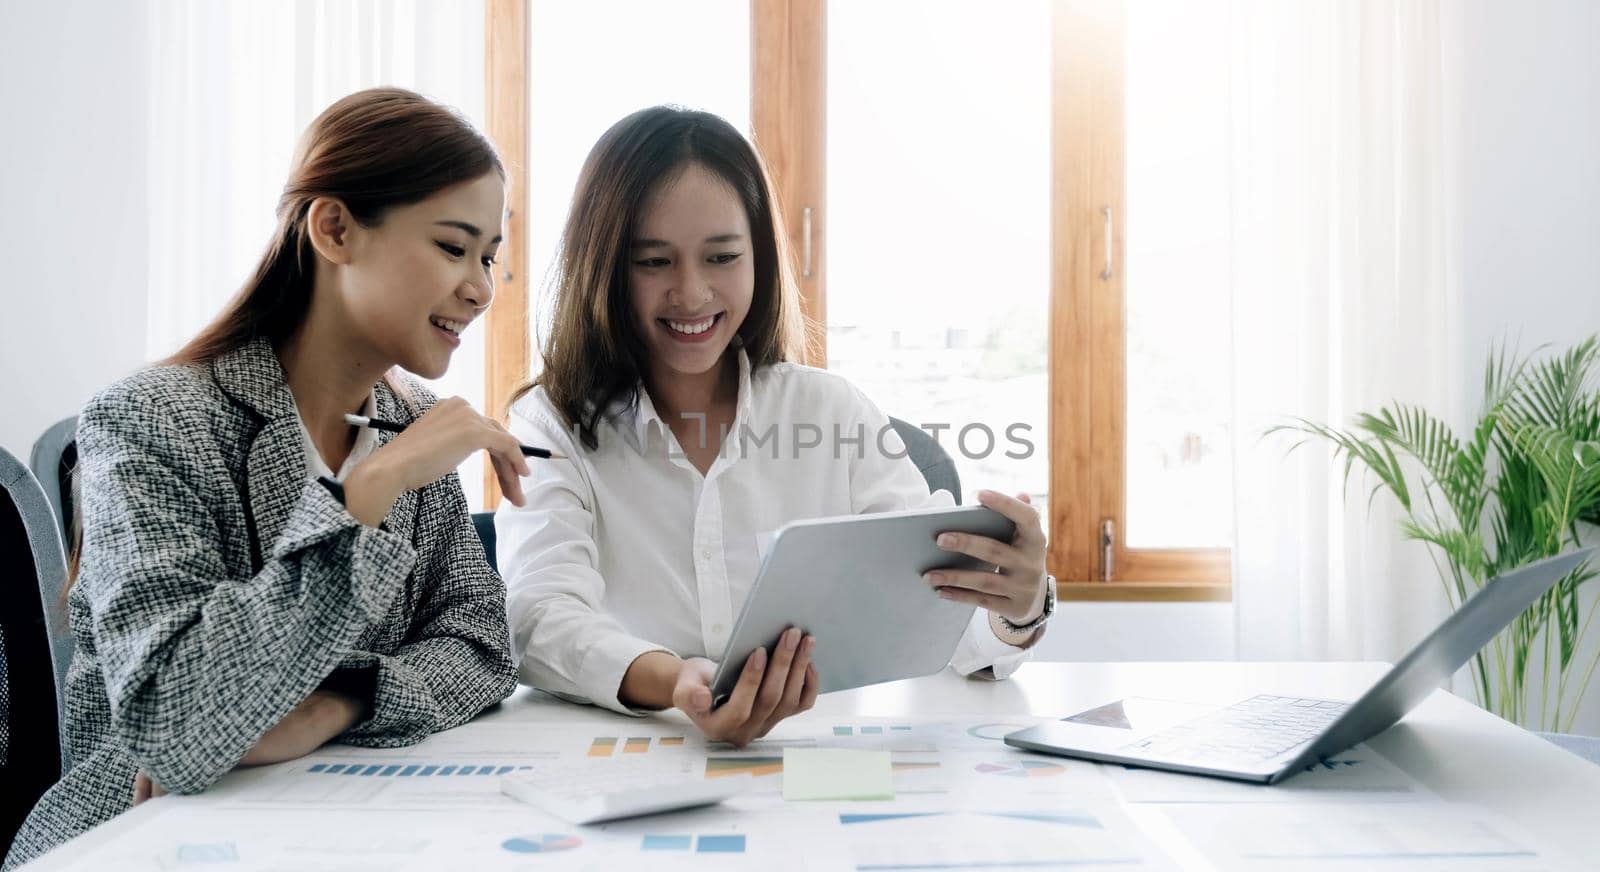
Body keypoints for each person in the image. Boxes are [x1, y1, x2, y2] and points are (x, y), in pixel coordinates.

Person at [5, 87, 524, 867]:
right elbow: (176, 722)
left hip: (335, 827)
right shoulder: (150, 419)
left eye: (489, 256)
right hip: (138, 842)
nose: (481, 287)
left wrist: (333, 705)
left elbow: (482, 649)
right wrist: (368, 495)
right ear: (336, 228)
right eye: (454, 248)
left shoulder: (412, 421)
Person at [496, 107, 1053, 748]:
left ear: (758, 257)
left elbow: (947, 629)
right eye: (653, 262)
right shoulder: (551, 424)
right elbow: (538, 620)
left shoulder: (833, 413)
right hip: (629, 759)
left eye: (722, 256)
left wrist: (1019, 607)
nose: (692, 293)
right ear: (603, 269)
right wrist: (678, 683)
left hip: (815, 759)